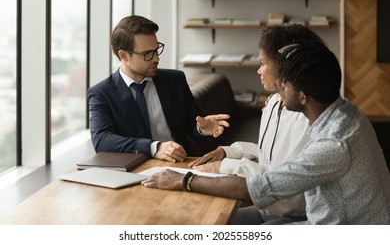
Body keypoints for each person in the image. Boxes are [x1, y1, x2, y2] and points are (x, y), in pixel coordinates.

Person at [142, 40, 390, 224]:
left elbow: (260, 188)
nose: (278, 89)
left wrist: (183, 180)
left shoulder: (332, 144)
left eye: (284, 84)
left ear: (302, 94)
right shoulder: (346, 114)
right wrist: (230, 153)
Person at [188, 25, 326, 224]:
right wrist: (228, 152)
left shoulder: (307, 115)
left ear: (284, 66)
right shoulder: (274, 103)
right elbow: (267, 157)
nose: (259, 70)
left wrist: (225, 166)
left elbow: (285, 182)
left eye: (263, 63)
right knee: (204, 222)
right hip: (267, 208)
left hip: (294, 214)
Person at [88, 15, 230, 163]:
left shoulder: (175, 80)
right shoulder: (101, 93)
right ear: (124, 56)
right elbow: (101, 140)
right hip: (136, 167)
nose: (156, 58)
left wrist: (202, 129)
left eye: (156, 50)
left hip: (179, 164)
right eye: (147, 54)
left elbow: (193, 125)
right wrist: (154, 147)